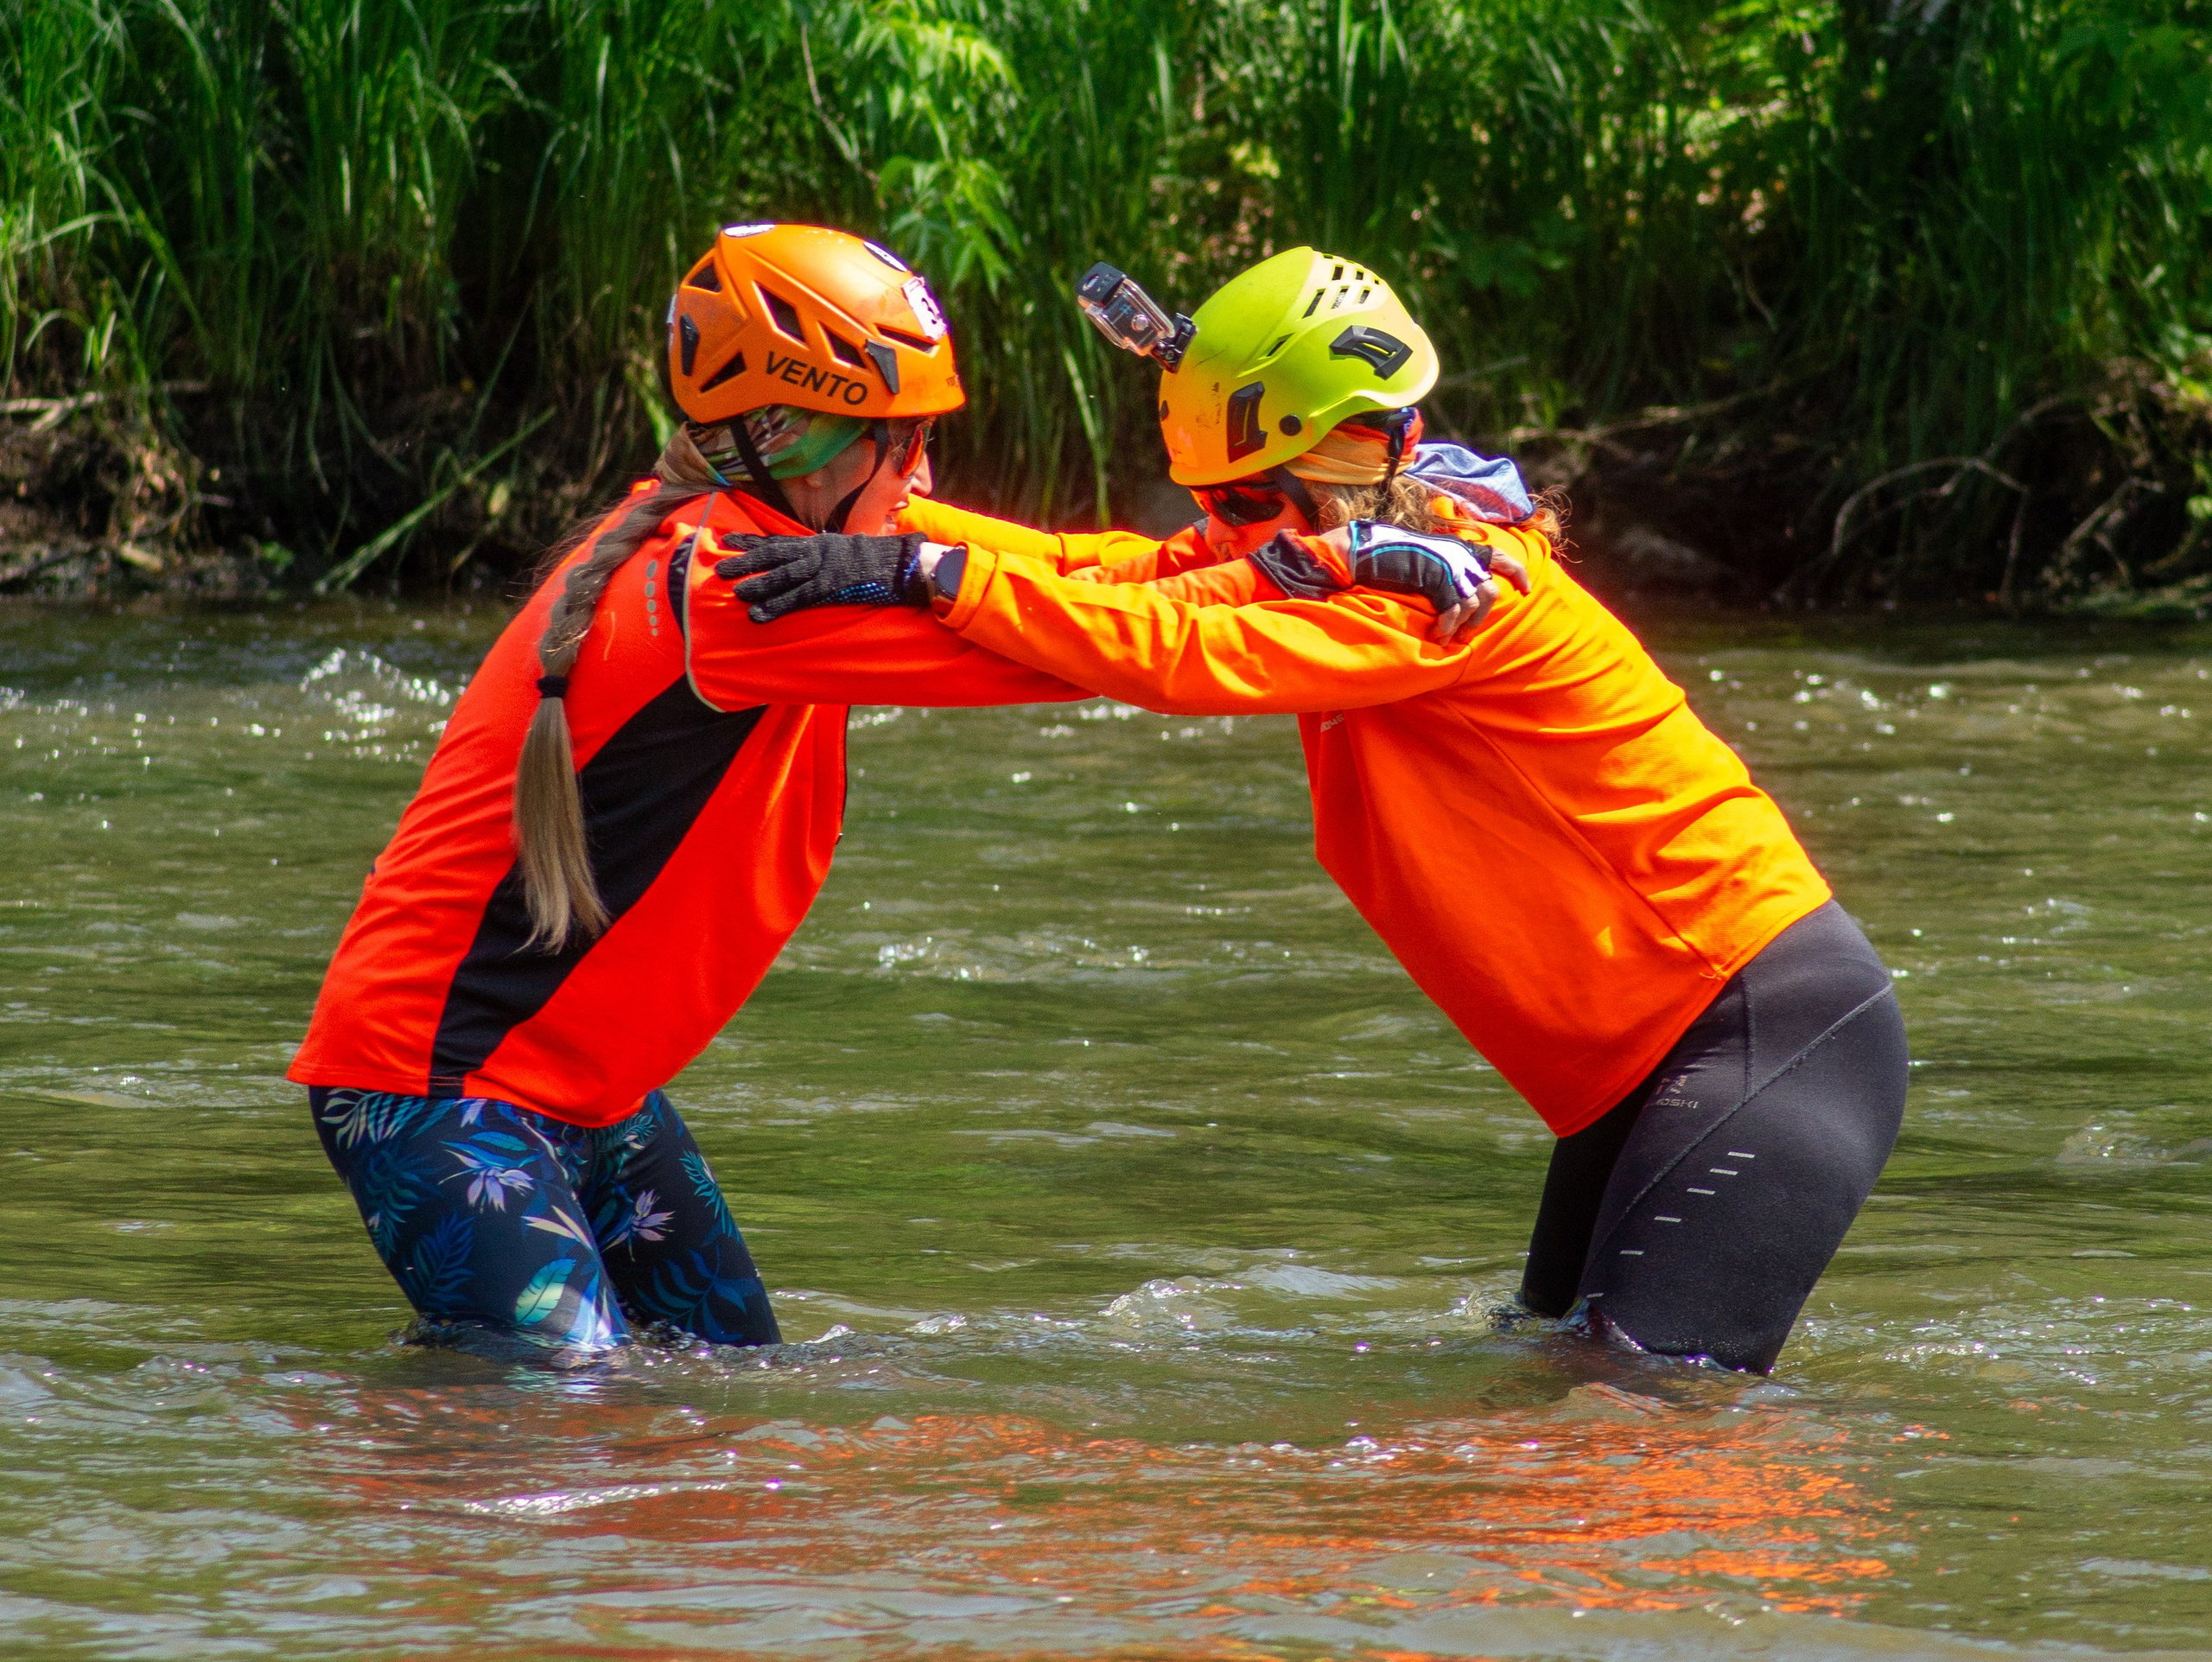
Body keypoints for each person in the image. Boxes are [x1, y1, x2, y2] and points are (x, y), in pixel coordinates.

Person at [290, 223, 1487, 1357]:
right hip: (435, 1086)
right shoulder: (747, 589)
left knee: (729, 1394)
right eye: (901, 441)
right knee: (560, 1413)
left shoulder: (805, 533)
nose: (925, 474)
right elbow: (1079, 645)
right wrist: (1321, 571)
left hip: (583, 1088)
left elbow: (1083, 569)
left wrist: (1302, 544)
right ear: (792, 438)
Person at [715, 245, 1910, 1376]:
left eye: (1241, 503)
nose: (1221, 536)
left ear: (1323, 462)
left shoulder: (1442, 590)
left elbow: (1179, 654)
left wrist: (922, 575)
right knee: (1554, 1396)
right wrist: (901, 528)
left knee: (1633, 1430)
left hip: (1762, 1030)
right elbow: (1116, 574)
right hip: (1644, 1069)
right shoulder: (1344, 547)